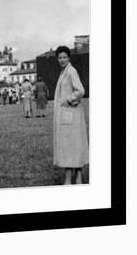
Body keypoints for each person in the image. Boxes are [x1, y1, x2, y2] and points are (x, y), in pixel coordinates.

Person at [53, 46, 89, 185]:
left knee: (71, 145)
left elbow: (80, 90)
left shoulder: (71, 71)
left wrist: (68, 100)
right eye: (59, 58)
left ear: (69, 58)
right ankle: (76, 176)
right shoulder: (64, 71)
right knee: (72, 145)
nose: (62, 60)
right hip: (70, 115)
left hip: (71, 114)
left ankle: (72, 177)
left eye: (64, 57)